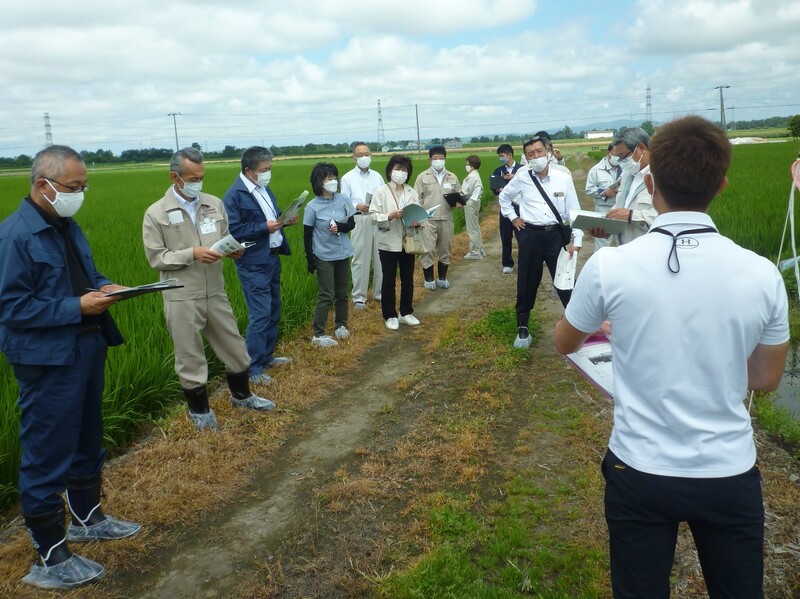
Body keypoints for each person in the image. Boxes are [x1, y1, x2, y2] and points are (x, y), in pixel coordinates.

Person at [554, 115, 790, 598]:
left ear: (649, 179)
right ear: (721, 185)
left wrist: (619, 334)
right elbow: (765, 378)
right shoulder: (762, 273)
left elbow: (564, 342)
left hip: (638, 467)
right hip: (728, 471)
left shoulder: (611, 266)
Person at [0, 145, 140, 589]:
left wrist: (104, 286)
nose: (80, 194)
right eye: (73, 187)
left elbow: (86, 274)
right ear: (43, 185)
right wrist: (76, 305)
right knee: (46, 451)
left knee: (86, 435)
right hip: (48, 359)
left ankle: (86, 516)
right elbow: (11, 307)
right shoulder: (14, 236)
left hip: (87, 345)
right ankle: (50, 556)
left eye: (84, 186)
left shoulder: (66, 225)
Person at [143, 147, 275, 432]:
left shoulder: (213, 204)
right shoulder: (156, 213)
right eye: (192, 177)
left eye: (201, 176)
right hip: (181, 294)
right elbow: (157, 258)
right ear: (174, 177)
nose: (197, 183)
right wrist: (192, 253)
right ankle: (200, 412)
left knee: (235, 346)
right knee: (190, 356)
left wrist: (233, 249)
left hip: (215, 290)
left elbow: (225, 235)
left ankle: (243, 396)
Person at [499, 136, 582, 349]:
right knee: (527, 281)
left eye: (539, 151)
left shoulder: (563, 176)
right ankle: (523, 328)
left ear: (548, 151)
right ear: (525, 157)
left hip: (555, 235)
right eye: (530, 154)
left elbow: (574, 210)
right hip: (530, 234)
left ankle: (575, 327)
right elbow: (504, 198)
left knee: (565, 281)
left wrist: (577, 240)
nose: (535, 157)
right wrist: (513, 218)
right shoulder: (522, 176)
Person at [222, 146, 296, 384]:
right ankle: (252, 367)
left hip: (272, 256)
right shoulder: (235, 195)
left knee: (274, 307)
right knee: (260, 313)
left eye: (269, 169)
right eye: (264, 170)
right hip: (253, 262)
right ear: (248, 170)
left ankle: (266, 356)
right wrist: (266, 227)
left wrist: (285, 220)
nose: (268, 174)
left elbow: (272, 215)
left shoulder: (263, 188)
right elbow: (234, 230)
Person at [303, 163, 356, 347]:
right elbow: (307, 234)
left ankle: (341, 325)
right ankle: (318, 334)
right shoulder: (312, 206)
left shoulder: (343, 199)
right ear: (319, 182)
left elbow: (351, 224)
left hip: (342, 251)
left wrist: (340, 227)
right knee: (326, 294)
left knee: (342, 292)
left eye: (334, 177)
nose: (332, 181)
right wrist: (310, 259)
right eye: (328, 178)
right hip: (323, 255)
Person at [369, 155, 423, 330]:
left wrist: (417, 221)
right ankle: (389, 315)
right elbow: (372, 216)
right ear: (390, 171)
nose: (400, 173)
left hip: (407, 241)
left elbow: (418, 212)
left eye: (404, 170)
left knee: (408, 278)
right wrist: (389, 216)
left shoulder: (411, 192)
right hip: (388, 242)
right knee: (389, 280)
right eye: (397, 169)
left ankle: (405, 312)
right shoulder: (381, 192)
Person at [590, 127, 657, 245]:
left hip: (650, 250)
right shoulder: (627, 175)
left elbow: (669, 218)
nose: (621, 161)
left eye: (623, 156)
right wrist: (607, 227)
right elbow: (619, 206)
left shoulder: (662, 177)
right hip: (625, 249)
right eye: (618, 157)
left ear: (641, 148)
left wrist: (631, 215)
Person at [340, 142, 384, 311]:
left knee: (380, 257)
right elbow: (343, 202)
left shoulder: (377, 176)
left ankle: (380, 293)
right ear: (354, 157)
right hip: (359, 219)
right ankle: (359, 297)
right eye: (360, 154)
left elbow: (383, 196)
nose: (364, 157)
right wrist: (357, 205)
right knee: (360, 259)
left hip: (377, 218)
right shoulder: (347, 178)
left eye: (366, 153)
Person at [413, 145, 461, 289]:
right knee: (427, 249)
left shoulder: (452, 177)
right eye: (435, 158)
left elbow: (459, 193)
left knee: (445, 248)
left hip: (446, 218)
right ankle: (428, 280)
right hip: (427, 219)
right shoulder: (423, 177)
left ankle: (442, 278)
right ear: (430, 160)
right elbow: (417, 198)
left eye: (441, 158)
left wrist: (460, 201)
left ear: (445, 159)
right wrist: (417, 217)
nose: (438, 160)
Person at [490, 144, 524, 274]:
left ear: (510, 155)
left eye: (502, 156)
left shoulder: (521, 169)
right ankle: (507, 263)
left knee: (522, 236)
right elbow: (493, 187)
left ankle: (524, 261)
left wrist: (514, 177)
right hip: (505, 207)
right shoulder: (498, 170)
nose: (501, 158)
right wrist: (497, 189)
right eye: (499, 156)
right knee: (505, 236)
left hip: (520, 207)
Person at [584, 143, 622, 250]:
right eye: (615, 154)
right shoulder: (596, 170)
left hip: (621, 209)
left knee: (622, 240)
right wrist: (604, 193)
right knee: (602, 242)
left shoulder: (625, 168)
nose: (617, 157)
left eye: (620, 154)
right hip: (603, 209)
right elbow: (589, 189)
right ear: (608, 153)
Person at [461, 155, 485, 260]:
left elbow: (465, 191)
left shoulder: (472, 177)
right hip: (474, 202)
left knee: (471, 228)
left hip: (470, 202)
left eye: (467, 164)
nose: (466, 166)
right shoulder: (475, 176)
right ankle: (479, 248)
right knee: (475, 226)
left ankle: (475, 252)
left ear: (472, 165)